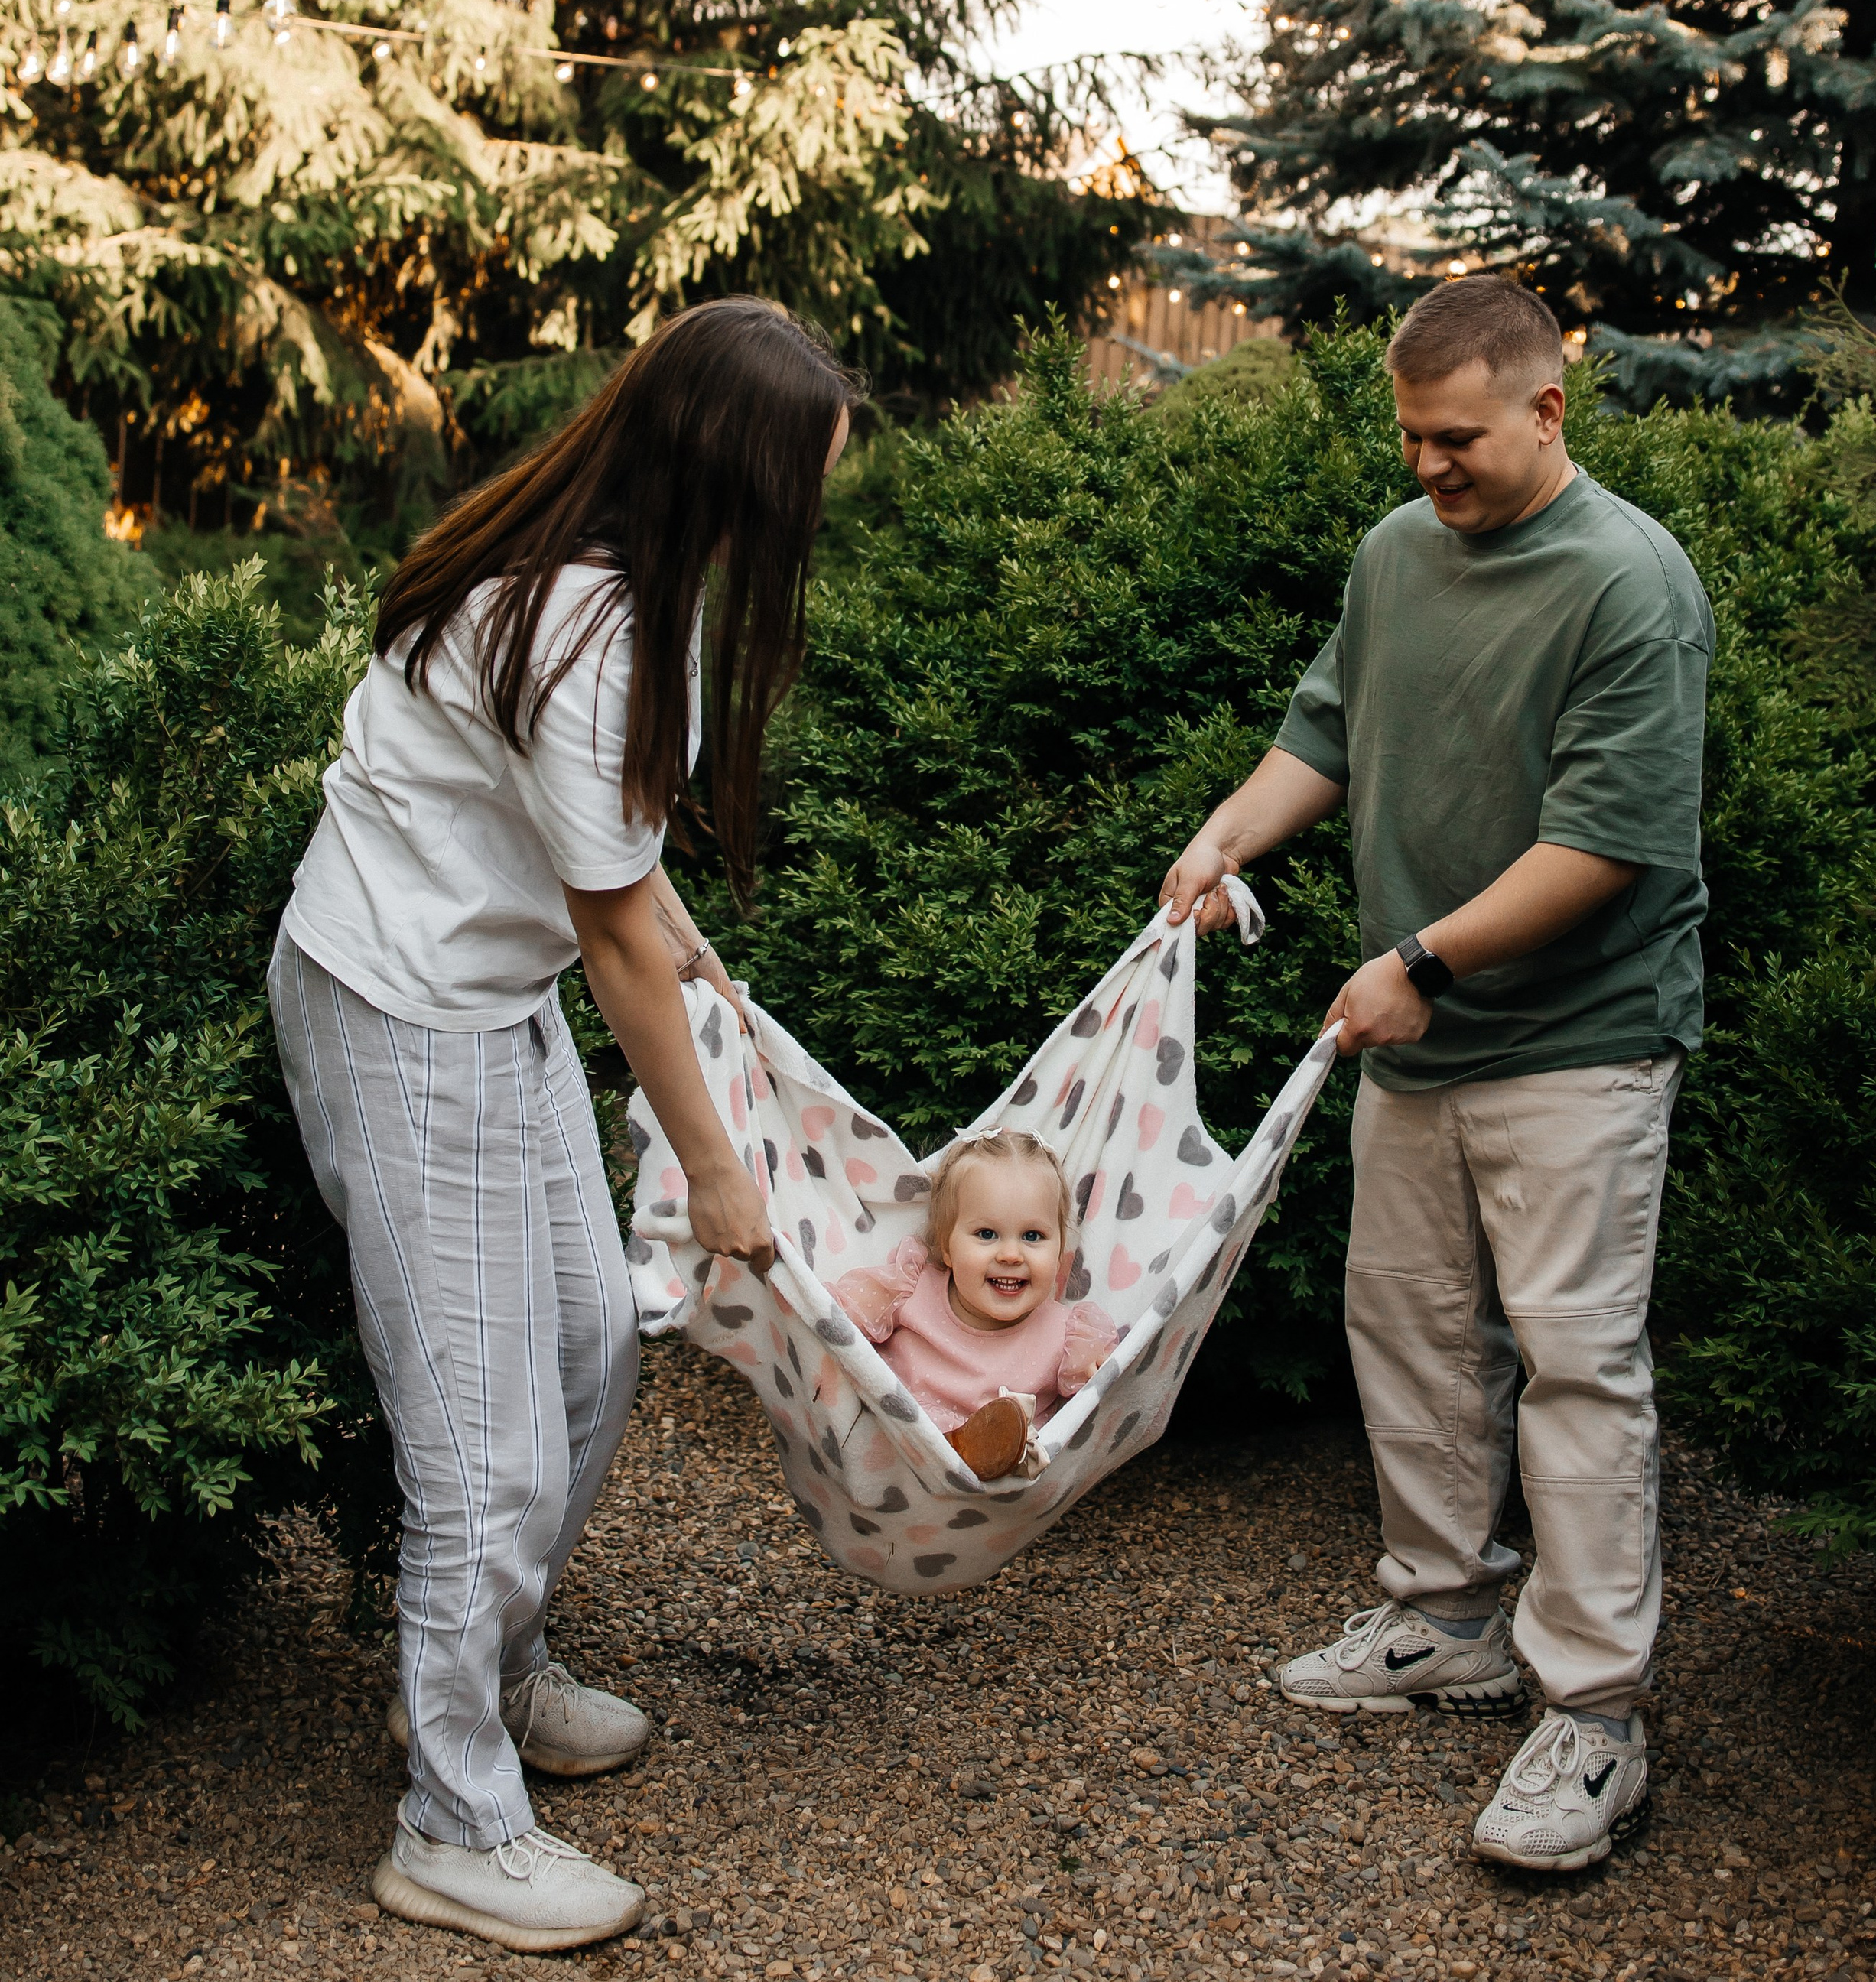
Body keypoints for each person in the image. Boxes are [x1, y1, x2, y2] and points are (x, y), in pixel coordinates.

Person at [269, 297, 857, 1953]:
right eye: (798, 492)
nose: (806, 525)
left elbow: (595, 871)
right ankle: (452, 1823)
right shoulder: (588, 622)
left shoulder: (604, 573)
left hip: (487, 990)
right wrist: (723, 1173)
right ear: (723, 480)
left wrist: (663, 912)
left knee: (594, 1342)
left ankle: (495, 1676)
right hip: (401, 1009)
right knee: (483, 1448)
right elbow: (604, 938)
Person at [1159, 275, 1712, 1873]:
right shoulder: (1394, 557)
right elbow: (1322, 731)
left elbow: (1605, 845)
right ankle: (1442, 1615)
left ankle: (1593, 1710)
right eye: (1407, 435)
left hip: (1576, 1044)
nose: (1426, 468)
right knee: (1400, 1327)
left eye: (1455, 436)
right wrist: (1224, 835)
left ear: (1549, 407)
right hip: (1416, 1035)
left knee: (1575, 1362)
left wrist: (1418, 961)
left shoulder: (1628, 583)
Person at [834, 1130, 1118, 1476]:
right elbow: (833, 1319)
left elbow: (1091, 1390)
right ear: (948, 1247)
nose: (1011, 1255)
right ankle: (948, 1447)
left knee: (1006, 1436)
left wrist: (1098, 1371)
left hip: (994, 1476)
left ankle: (969, 1452)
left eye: (1033, 1236)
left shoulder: (1066, 1335)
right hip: (892, 1443)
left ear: (1060, 1251)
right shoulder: (911, 1286)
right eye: (986, 1234)